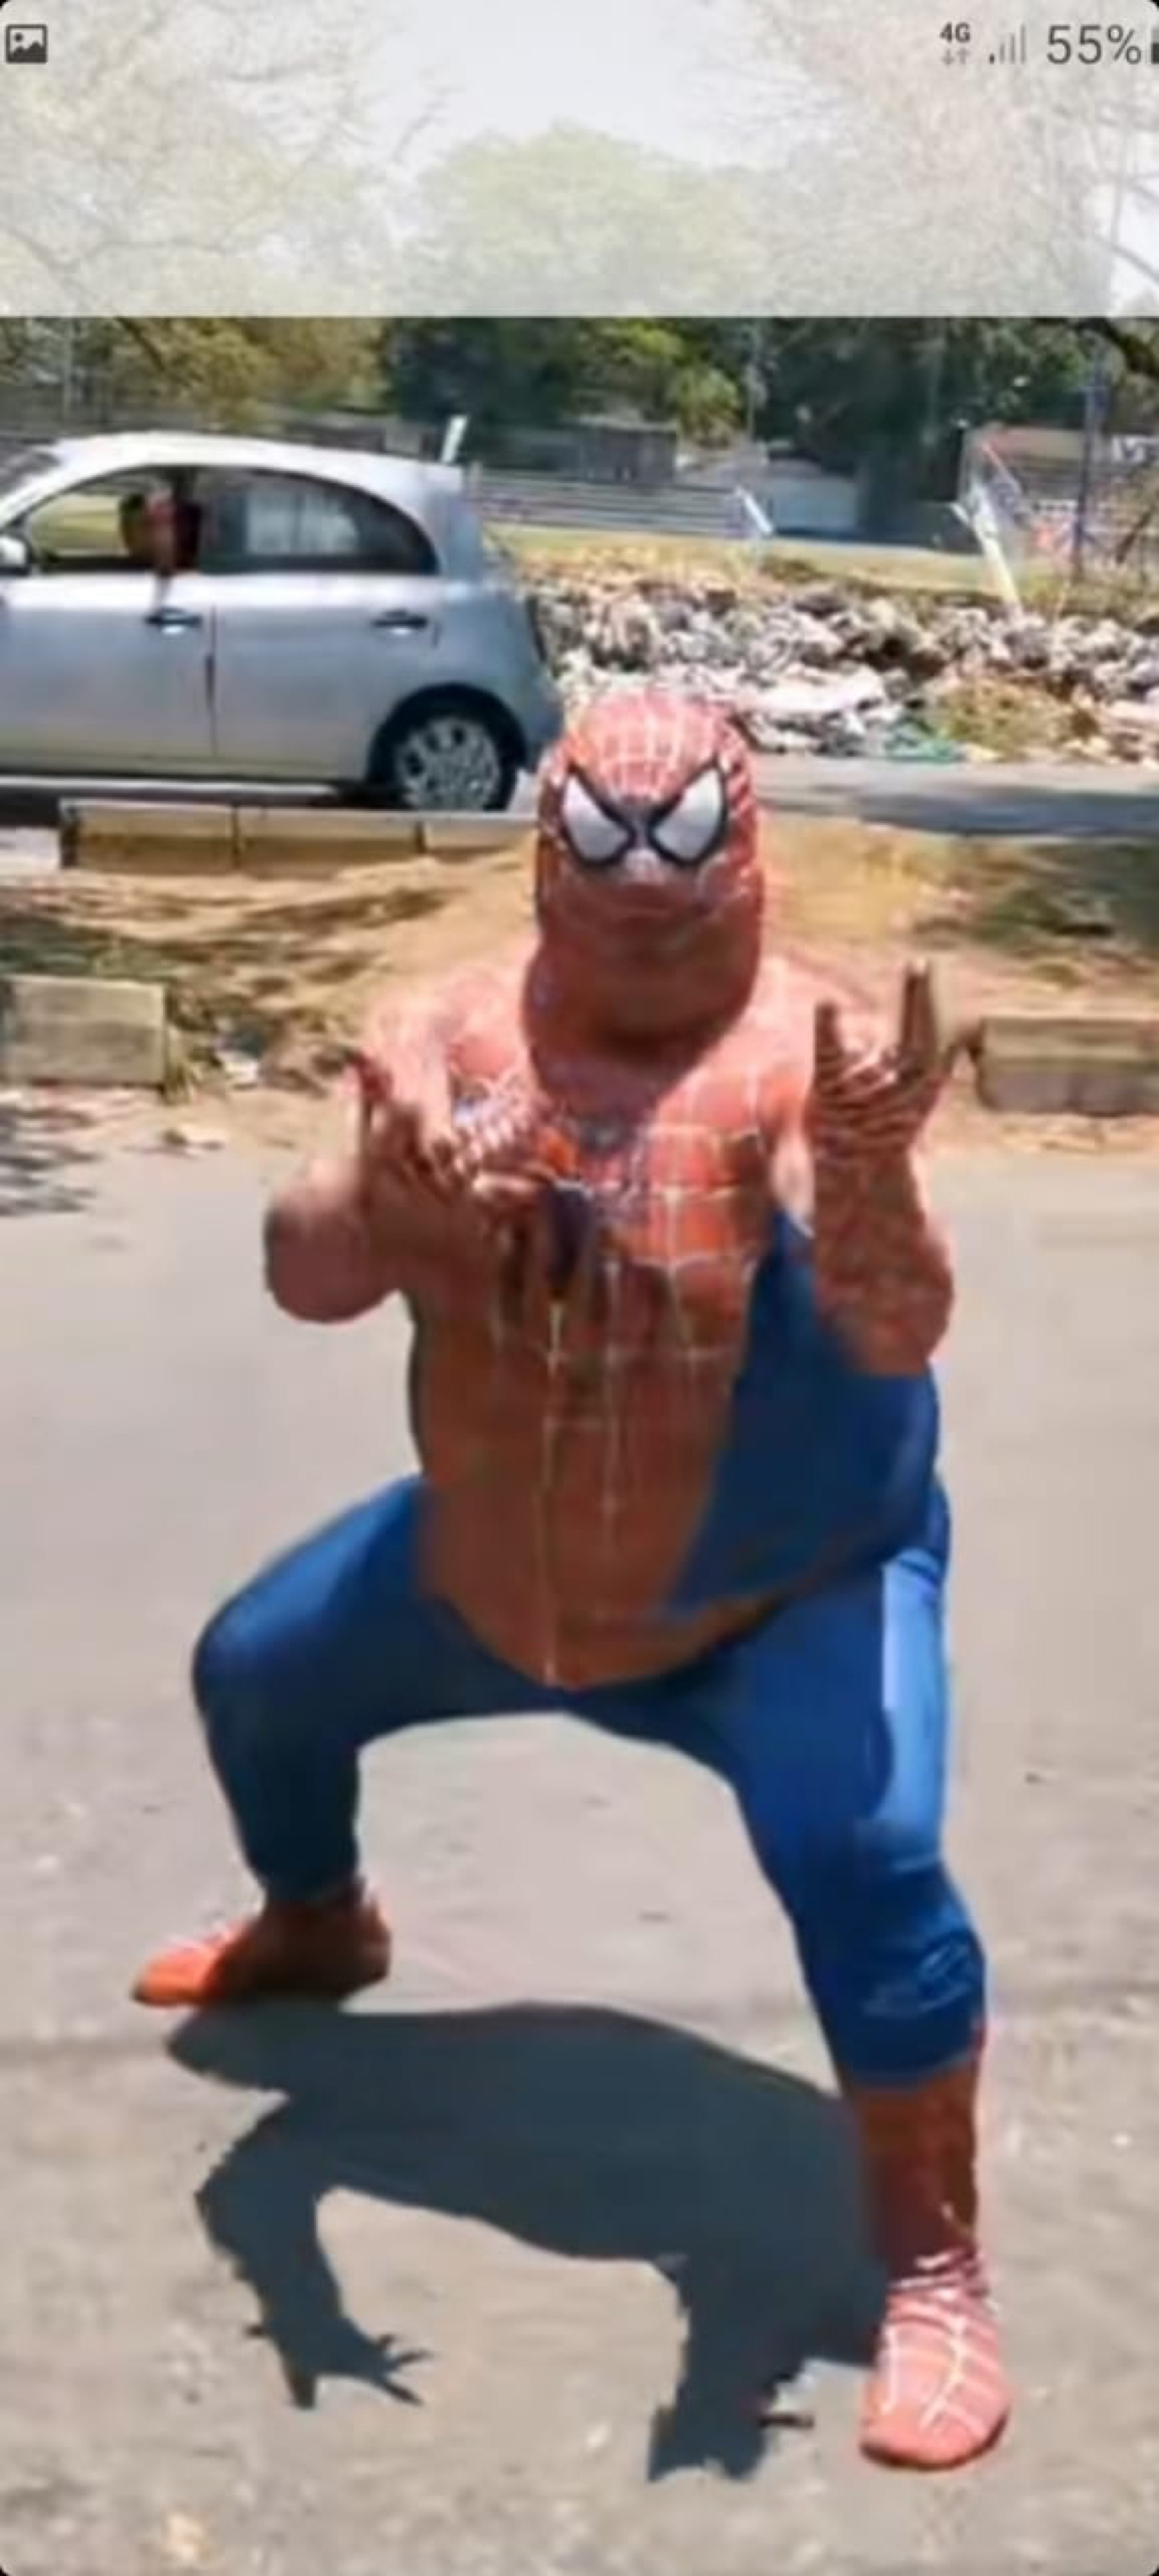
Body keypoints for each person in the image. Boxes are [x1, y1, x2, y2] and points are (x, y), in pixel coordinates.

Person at [132, 692, 1010, 2475]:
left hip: (773, 1604)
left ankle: (932, 2267)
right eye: (609, 863)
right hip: (491, 1577)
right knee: (257, 1671)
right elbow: (305, 1273)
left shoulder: (811, 1053)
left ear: (749, 865)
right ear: (547, 863)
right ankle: (321, 1920)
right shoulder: (448, 1037)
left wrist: (861, 1183)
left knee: (867, 1856)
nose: (646, 907)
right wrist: (389, 1206)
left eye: (684, 866)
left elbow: (900, 1329)